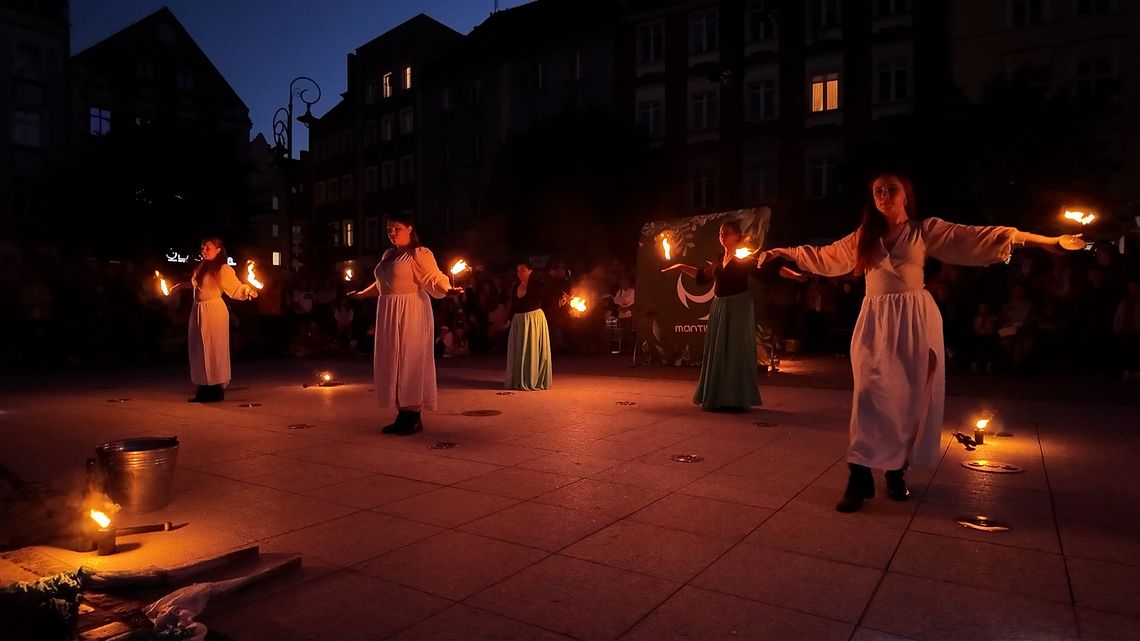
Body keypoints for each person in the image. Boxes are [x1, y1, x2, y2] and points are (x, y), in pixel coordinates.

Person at [758, 172, 1067, 512]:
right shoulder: (865, 236)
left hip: (914, 319)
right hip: (875, 320)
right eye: (878, 190)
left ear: (905, 196)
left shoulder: (924, 231)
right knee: (868, 396)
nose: (884, 195)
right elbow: (826, 256)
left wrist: (1046, 241)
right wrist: (782, 253)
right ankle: (858, 477)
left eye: (892, 190)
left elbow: (979, 238)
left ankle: (895, 471)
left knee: (908, 400)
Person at [350, 214, 460, 435]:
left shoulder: (419, 253)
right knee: (393, 359)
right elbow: (383, 283)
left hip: (410, 310)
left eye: (397, 228)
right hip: (389, 310)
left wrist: (447, 289)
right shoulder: (389, 254)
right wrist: (362, 294)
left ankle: (413, 416)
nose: (392, 232)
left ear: (410, 228)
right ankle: (402, 414)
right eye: (389, 229)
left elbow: (433, 276)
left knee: (408, 358)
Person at [661, 220, 763, 411]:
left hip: (738, 307)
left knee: (735, 351)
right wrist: (681, 266)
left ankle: (736, 399)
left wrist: (795, 275)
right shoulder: (719, 260)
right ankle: (718, 396)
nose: (722, 236)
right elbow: (702, 275)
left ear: (737, 236)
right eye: (720, 233)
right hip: (719, 307)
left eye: (727, 233)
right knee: (719, 352)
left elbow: (766, 270)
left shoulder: (744, 258)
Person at [187, 237, 258, 403]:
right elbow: (199, 287)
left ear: (218, 249)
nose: (204, 250)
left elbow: (234, 288)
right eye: (202, 247)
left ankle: (215, 388)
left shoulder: (222, 268)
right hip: (198, 310)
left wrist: (245, 290)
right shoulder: (201, 267)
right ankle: (203, 387)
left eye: (208, 248)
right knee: (199, 349)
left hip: (213, 311)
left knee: (214, 348)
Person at [505, 261, 566, 390]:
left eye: (523, 270)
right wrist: (509, 320)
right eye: (518, 270)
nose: (520, 273)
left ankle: (534, 378)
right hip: (519, 321)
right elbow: (514, 304)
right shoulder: (515, 286)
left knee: (532, 349)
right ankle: (519, 378)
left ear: (530, 271)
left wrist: (560, 299)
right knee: (519, 350)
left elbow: (549, 296)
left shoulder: (538, 285)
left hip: (534, 320)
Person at [613, 275, 636, 354]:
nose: (623, 284)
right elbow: (615, 301)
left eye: (624, 282)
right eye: (622, 283)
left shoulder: (632, 291)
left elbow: (634, 302)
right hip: (621, 315)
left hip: (629, 314)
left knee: (628, 332)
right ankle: (623, 349)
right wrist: (621, 303)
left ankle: (630, 349)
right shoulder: (620, 292)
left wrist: (626, 307)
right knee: (622, 332)